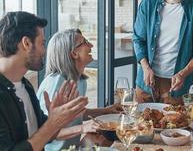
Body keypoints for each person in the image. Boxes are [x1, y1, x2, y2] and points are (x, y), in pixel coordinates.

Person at [0, 11, 88, 151]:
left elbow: (43, 133)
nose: (45, 51)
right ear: (27, 43)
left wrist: (58, 116)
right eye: (42, 43)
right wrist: (52, 123)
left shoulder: (25, 86)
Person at [36, 29, 122, 150]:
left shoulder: (80, 81)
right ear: (74, 53)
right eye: (85, 42)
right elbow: (45, 131)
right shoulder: (56, 83)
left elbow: (77, 113)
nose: (91, 45)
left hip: (73, 147)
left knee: (105, 137)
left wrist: (106, 111)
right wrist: (84, 127)